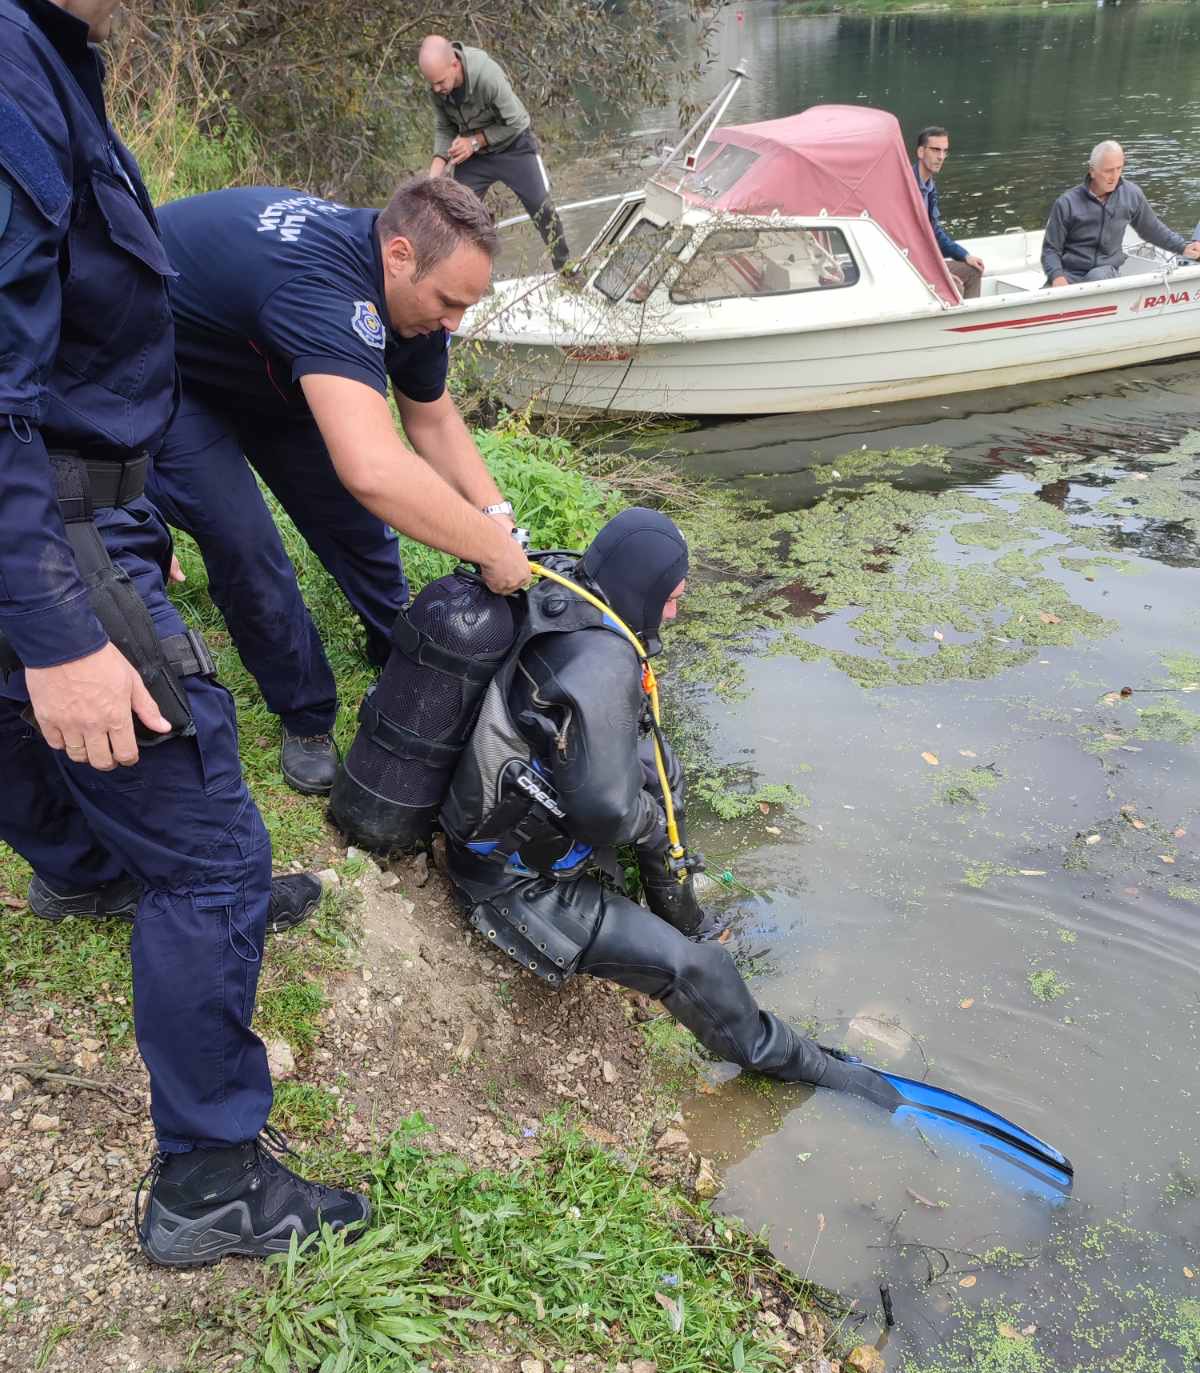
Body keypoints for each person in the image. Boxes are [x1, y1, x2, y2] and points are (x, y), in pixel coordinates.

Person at [0, 0, 368, 1263]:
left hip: (70, 499)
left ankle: (83, 869)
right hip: (51, 524)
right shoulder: (7, 73)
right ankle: (210, 1182)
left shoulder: (52, 56)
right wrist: (55, 632)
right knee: (215, 860)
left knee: (34, 747)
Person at [438, 510, 894, 1104]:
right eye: (672, 598)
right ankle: (806, 1066)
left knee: (664, 777)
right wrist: (653, 825)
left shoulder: (568, 595)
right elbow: (604, 809)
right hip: (510, 882)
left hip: (501, 817)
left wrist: (657, 797)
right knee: (695, 969)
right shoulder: (603, 664)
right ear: (643, 591)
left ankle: (685, 912)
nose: (675, 612)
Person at [147, 177, 531, 795]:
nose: (454, 322)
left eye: (466, 306)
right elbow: (374, 469)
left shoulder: (416, 304)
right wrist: (489, 549)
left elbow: (430, 417)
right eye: (448, 302)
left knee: (358, 530)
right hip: (173, 372)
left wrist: (494, 512)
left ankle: (399, 655)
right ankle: (305, 717)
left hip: (274, 369)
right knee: (246, 546)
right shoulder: (323, 292)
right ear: (399, 256)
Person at [419, 34, 570, 274]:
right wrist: (434, 175)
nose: (437, 89)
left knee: (544, 208)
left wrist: (474, 142)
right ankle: (480, 286)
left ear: (455, 64)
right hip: (475, 157)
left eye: (440, 82)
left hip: (514, 147)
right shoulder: (437, 87)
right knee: (459, 217)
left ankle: (567, 270)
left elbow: (518, 121)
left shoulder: (487, 76)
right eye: (432, 84)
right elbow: (444, 127)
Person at [1042, 140, 1200, 286]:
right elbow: (1051, 250)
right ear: (1092, 171)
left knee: (1097, 276)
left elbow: (1153, 230)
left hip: (1105, 271)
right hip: (1070, 273)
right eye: (1108, 171)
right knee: (1046, 293)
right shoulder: (1066, 203)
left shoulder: (1131, 194)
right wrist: (1057, 277)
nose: (1114, 176)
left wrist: (1183, 247)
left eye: (1119, 169)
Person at [913, 126, 985, 299]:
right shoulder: (906, 187)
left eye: (945, 151)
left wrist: (964, 255)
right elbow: (903, 240)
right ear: (921, 152)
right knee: (953, 288)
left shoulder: (929, 187)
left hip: (926, 263)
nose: (941, 157)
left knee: (973, 270)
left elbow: (934, 233)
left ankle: (970, 324)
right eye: (936, 150)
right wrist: (938, 273)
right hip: (911, 265)